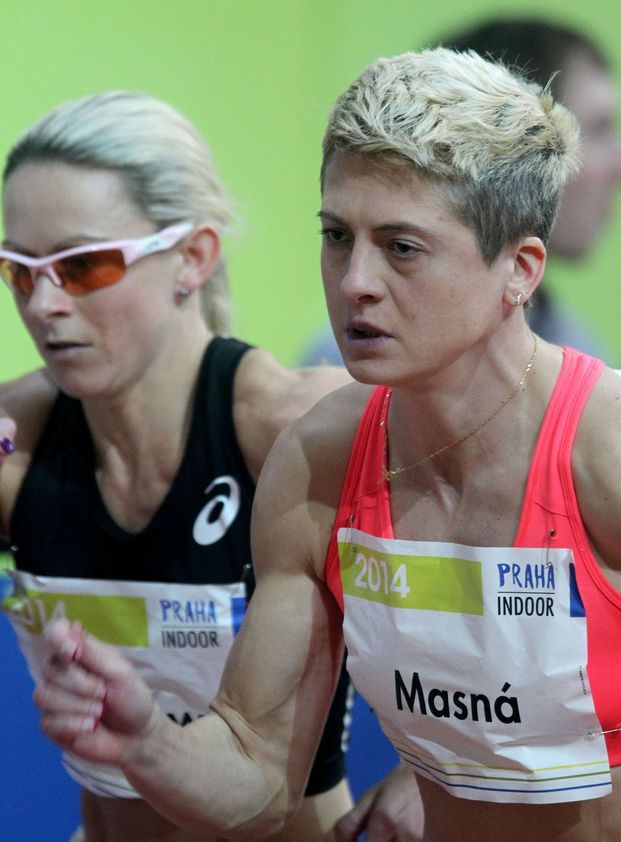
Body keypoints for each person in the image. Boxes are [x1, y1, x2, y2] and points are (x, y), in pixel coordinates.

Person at [30, 49, 621, 842]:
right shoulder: (321, 462)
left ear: (519, 269)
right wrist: (148, 742)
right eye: (337, 235)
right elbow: (260, 772)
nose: (354, 281)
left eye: (401, 247)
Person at [0, 91, 421, 842]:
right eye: (20, 271)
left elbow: (556, 558)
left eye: (84, 265)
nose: (45, 305)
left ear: (192, 257)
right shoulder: (17, 438)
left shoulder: (290, 426)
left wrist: (426, 776)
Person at [299, 16, 621, 367]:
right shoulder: (345, 366)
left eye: (402, 247)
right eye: (598, 130)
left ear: (524, 268)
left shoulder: (581, 348)